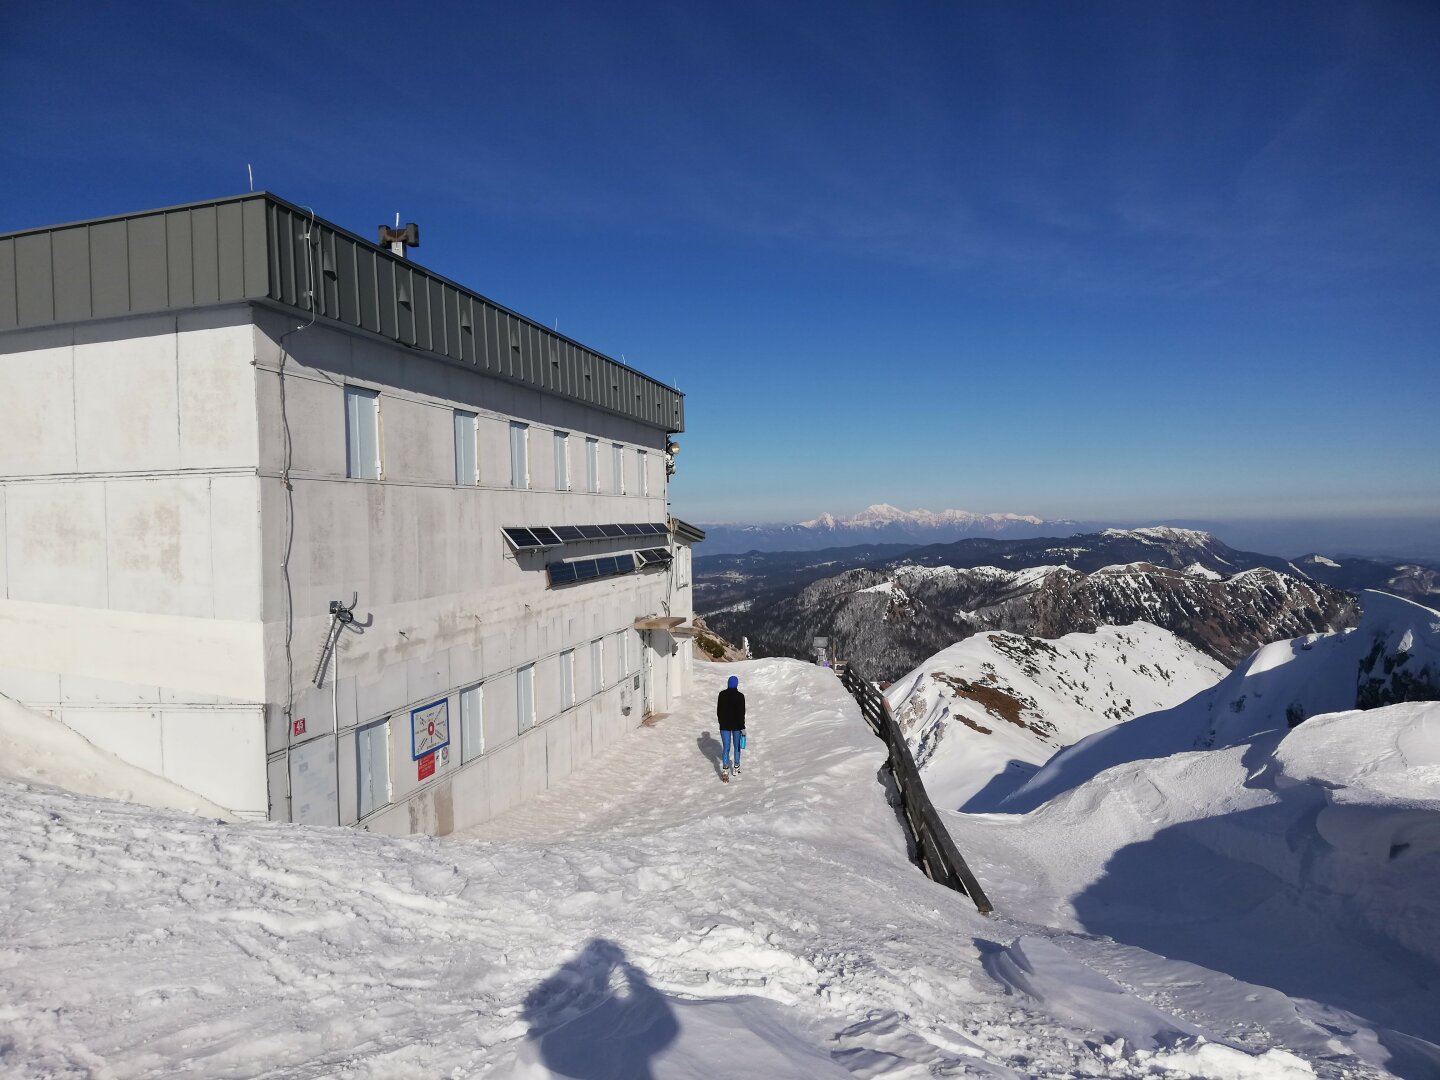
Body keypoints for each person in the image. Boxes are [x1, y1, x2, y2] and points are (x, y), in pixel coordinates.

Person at [716, 674, 746, 780]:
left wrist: (721, 722)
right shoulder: (740, 696)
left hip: (724, 726)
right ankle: (736, 767)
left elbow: (718, 711)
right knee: (737, 746)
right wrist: (743, 727)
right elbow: (741, 713)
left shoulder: (722, 695)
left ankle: (725, 771)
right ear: (736, 684)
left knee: (726, 748)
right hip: (737, 726)